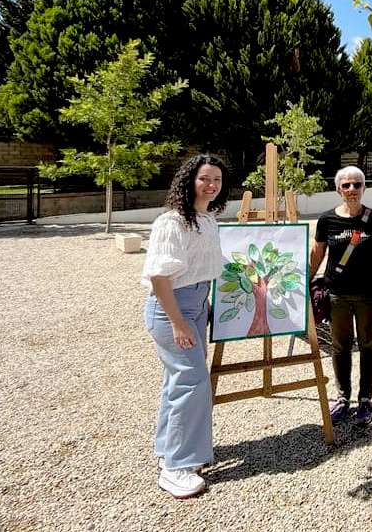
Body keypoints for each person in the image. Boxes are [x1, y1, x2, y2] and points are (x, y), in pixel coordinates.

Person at [141, 154, 229, 498]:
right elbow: (159, 276)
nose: (211, 185)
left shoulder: (207, 219)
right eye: (205, 178)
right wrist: (178, 323)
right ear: (189, 179)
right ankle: (176, 467)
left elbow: (211, 262)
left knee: (177, 382)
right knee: (191, 384)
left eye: (217, 180)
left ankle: (168, 450)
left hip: (196, 305)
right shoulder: (172, 221)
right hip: (172, 309)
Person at [310, 166, 372, 428]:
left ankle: (365, 399)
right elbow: (317, 255)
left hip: (369, 294)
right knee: (340, 347)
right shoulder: (326, 220)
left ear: (364, 188)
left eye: (357, 185)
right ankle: (343, 397)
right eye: (346, 185)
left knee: (368, 345)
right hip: (337, 295)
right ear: (338, 189)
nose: (352, 190)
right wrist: (299, 283)